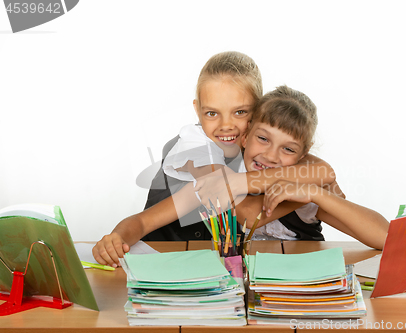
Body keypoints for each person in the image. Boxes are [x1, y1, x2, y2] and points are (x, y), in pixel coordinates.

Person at [93, 53, 338, 267]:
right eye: (212, 113)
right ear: (197, 110)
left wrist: (307, 188)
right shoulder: (196, 145)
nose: (226, 126)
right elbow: (243, 210)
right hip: (166, 254)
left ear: (260, 112)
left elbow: (325, 172)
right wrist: (306, 190)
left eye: (240, 112)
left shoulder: (265, 148)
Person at [213, 85, 389, 247]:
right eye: (263, 139)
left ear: (303, 154)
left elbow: (386, 237)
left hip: (300, 277)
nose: (271, 156)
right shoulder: (225, 165)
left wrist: (314, 193)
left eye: (288, 149)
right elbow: (248, 216)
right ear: (245, 135)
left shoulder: (309, 184)